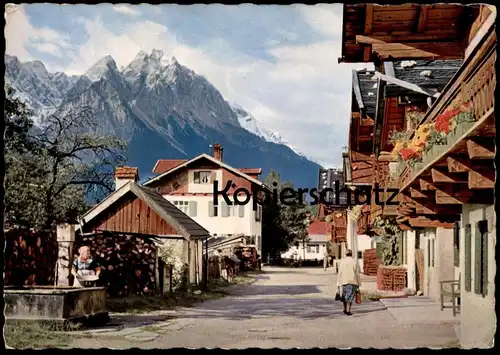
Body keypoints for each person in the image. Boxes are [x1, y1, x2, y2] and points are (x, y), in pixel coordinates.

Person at [336, 249, 361, 316]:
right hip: (352, 281)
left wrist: (338, 283)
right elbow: (357, 274)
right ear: (351, 254)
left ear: (345, 254)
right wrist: (359, 283)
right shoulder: (354, 262)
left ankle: (345, 309)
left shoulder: (342, 262)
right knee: (350, 297)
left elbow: (339, 273)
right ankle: (348, 311)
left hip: (344, 282)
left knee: (344, 296)